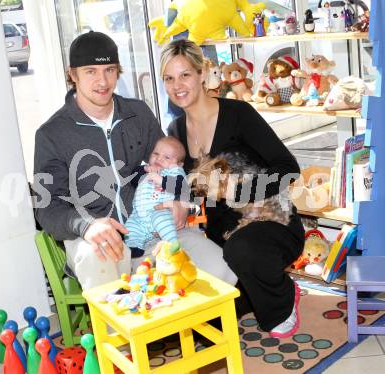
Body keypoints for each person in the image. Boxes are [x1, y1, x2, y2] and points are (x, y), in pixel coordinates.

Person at [33, 31, 237, 291]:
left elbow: (172, 164)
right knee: (104, 268)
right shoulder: (52, 134)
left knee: (221, 270)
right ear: (72, 74)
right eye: (90, 71)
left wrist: (181, 201)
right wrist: (86, 226)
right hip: (97, 240)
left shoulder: (137, 114)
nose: (102, 81)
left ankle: (177, 327)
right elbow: (47, 206)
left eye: (109, 70)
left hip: (151, 227)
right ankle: (120, 330)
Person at [160, 39, 305, 338]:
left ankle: (284, 300)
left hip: (271, 223)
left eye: (185, 74)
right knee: (202, 327)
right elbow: (187, 189)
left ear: (202, 73)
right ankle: (259, 283)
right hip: (223, 239)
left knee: (246, 253)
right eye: (169, 78)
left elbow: (288, 168)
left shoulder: (239, 114)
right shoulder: (175, 131)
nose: (178, 85)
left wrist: (236, 193)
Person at [125, 136, 187, 257]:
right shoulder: (146, 171)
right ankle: (134, 247)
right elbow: (133, 177)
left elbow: (181, 186)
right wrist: (145, 169)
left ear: (179, 164)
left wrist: (161, 180)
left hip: (160, 210)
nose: (159, 158)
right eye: (156, 153)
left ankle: (172, 244)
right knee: (130, 227)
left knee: (162, 220)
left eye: (167, 157)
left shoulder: (175, 172)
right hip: (139, 216)